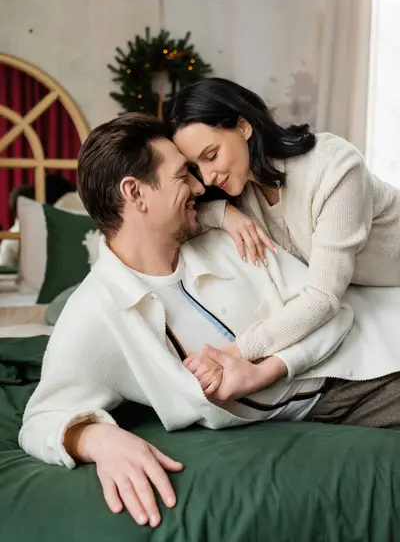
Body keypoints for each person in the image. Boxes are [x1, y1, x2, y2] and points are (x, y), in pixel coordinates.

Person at [18, 114, 400, 529]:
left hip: (356, 368)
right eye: (184, 175)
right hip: (320, 406)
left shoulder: (231, 242)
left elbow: (333, 314)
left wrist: (264, 370)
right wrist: (96, 438)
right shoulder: (96, 311)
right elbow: (42, 417)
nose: (201, 187)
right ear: (136, 192)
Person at [166, 77, 400, 361]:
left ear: (243, 126)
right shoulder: (241, 192)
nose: (207, 177)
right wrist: (223, 214)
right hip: (376, 297)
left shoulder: (336, 167)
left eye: (212, 155)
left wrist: (238, 352)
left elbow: (322, 298)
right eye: (195, 166)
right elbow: (175, 222)